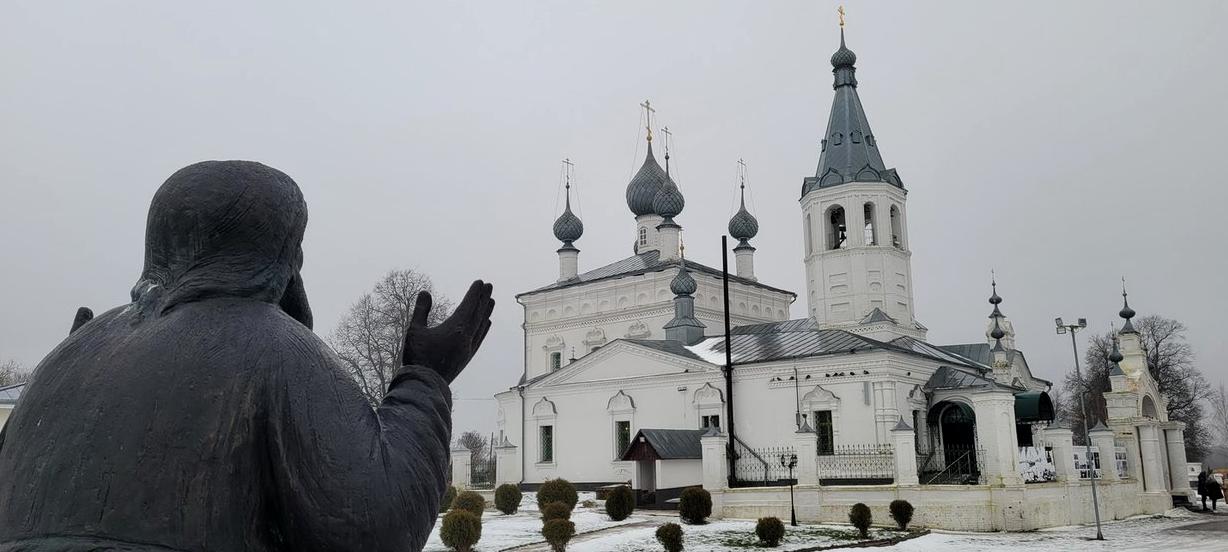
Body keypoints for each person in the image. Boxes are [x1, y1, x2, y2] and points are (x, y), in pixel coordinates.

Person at [0, 161, 495, 552]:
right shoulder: (277, 350)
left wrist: (69, 376)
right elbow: (375, 527)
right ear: (282, 255)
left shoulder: (63, 361)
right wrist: (426, 379)